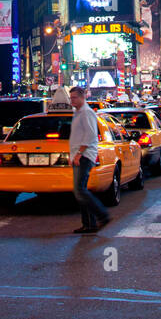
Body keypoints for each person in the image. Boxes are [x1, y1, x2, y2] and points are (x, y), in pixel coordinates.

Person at [67, 86, 110, 234]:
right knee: (80, 191)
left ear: (82, 97)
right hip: (78, 156)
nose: (71, 100)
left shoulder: (86, 113)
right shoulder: (78, 113)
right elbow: (77, 136)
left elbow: (90, 136)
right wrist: (72, 155)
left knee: (80, 191)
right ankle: (89, 224)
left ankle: (102, 215)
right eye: (70, 97)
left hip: (85, 156)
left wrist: (79, 154)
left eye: (74, 98)